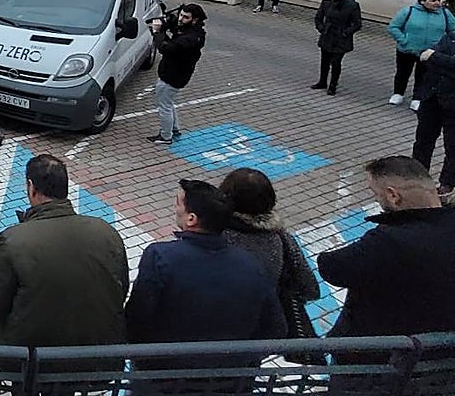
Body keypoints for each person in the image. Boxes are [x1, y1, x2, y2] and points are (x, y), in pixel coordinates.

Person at [125, 180, 285, 375]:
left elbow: (137, 317)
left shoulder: (160, 257)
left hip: (165, 375)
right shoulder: (251, 265)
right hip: (230, 378)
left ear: (191, 219)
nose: (175, 209)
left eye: (178, 204)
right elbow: (275, 327)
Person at [0, 154, 127, 350]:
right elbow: (121, 288)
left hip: (33, 359)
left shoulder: (13, 240)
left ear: (31, 187)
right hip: (99, 355)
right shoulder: (106, 232)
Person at [318, 156, 455, 338]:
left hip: (389, 351)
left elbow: (332, 267)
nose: (377, 200)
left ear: (393, 195)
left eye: (376, 194)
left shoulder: (388, 241)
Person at [219, 168, 321, 344]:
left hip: (222, 327)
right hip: (262, 328)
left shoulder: (215, 237)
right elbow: (309, 288)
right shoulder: (280, 238)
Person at [147, 3, 207, 145]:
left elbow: (166, 48)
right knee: (169, 103)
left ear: (195, 20)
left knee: (164, 106)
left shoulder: (189, 38)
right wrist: (168, 24)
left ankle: (165, 136)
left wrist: (157, 32)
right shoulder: (194, 32)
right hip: (178, 74)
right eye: (181, 15)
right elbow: (177, 31)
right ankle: (174, 129)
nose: (180, 19)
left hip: (172, 75)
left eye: (185, 17)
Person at [387, 0, 455, 111]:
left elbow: (453, 31)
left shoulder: (445, 14)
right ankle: (398, 94)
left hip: (429, 53)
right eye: (433, 0)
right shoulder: (409, 11)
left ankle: (417, 98)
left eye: (439, 0)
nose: (437, 3)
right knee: (403, 72)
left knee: (423, 76)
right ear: (423, 1)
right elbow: (394, 27)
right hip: (407, 50)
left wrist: (443, 46)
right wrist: (404, 40)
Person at [414, 33, 455, 201]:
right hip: (432, 100)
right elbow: (425, 58)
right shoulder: (450, 37)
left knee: (452, 148)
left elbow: (431, 56)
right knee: (423, 141)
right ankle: (416, 177)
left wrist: (435, 57)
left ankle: (446, 184)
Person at [311, 0, 362, 96]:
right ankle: (322, 82)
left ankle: (333, 85)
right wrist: (321, 28)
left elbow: (357, 24)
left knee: (336, 62)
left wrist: (345, 33)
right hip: (327, 35)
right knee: (324, 61)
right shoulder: (326, 3)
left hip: (341, 38)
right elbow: (318, 18)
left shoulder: (352, 6)